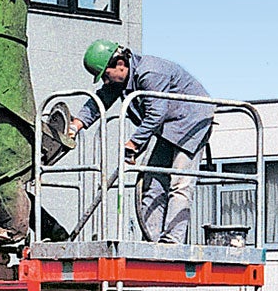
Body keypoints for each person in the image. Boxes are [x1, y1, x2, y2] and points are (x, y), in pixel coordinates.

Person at [70, 40, 213, 244]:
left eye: (106, 76)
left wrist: (134, 143)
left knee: (180, 183)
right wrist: (75, 126)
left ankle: (172, 241)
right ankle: (151, 240)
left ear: (120, 64)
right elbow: (99, 101)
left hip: (192, 122)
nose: (106, 82)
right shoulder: (120, 80)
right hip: (168, 126)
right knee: (152, 184)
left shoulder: (150, 72)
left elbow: (156, 113)